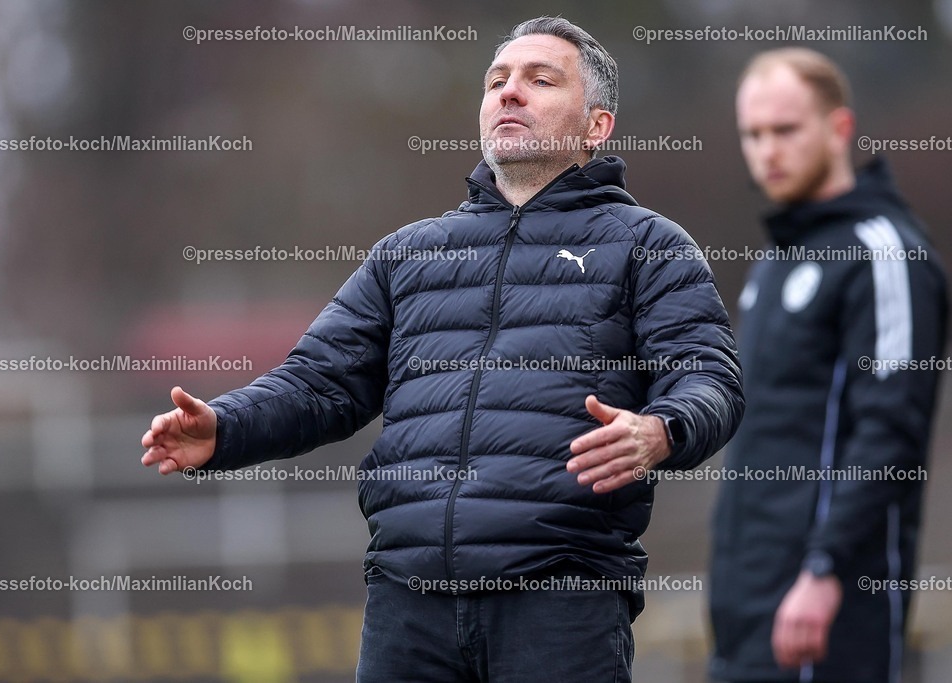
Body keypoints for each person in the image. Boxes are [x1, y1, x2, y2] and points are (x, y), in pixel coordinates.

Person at [143, 17, 743, 682]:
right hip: (407, 604)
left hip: (559, 602)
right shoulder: (409, 252)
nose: (510, 93)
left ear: (596, 127)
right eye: (497, 81)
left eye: (540, 80)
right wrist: (225, 427)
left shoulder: (648, 245)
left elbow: (709, 376)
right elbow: (319, 381)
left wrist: (662, 429)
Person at [710, 48, 948, 683]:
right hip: (745, 612)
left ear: (838, 129)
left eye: (785, 130)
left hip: (829, 609)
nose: (767, 151)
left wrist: (824, 570)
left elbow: (890, 432)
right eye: (753, 134)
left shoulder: (885, 254)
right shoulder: (773, 265)